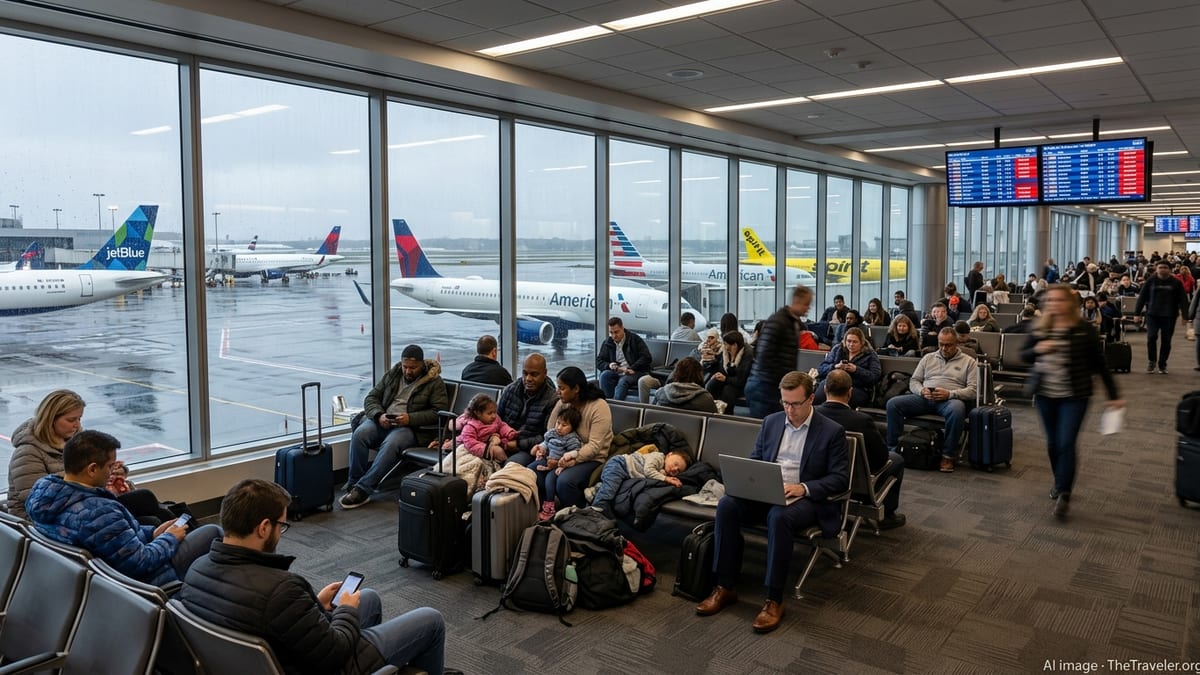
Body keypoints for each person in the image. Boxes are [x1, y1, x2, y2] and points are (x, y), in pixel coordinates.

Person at [178, 479, 450, 675]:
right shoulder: (281, 590)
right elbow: (335, 653)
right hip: (327, 665)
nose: (280, 534)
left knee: (368, 598)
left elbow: (271, 618)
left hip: (272, 658)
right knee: (431, 620)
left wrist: (316, 605)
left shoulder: (197, 568)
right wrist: (345, 611)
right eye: (281, 526)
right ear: (263, 528)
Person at [695, 371, 848, 634]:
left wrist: (802, 488)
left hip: (806, 498)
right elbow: (757, 459)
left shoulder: (832, 431)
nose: (790, 410)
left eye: (796, 404)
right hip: (769, 491)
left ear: (811, 399)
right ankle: (724, 585)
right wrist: (750, 480)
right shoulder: (772, 422)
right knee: (728, 506)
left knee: (779, 517)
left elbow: (840, 478)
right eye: (785, 403)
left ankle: (774, 598)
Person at [26, 430, 222, 586]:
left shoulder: (45, 494)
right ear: (92, 469)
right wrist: (169, 538)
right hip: (143, 582)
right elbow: (141, 562)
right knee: (212, 532)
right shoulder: (98, 512)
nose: (113, 472)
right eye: (110, 466)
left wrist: (153, 534)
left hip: (104, 582)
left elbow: (114, 541)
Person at [1020, 286, 1123, 518]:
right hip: (1046, 395)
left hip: (1075, 395)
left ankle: (1064, 492)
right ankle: (1059, 481)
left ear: (1069, 303)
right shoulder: (1040, 327)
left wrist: (1113, 395)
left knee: (1066, 442)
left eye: (1059, 300)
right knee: (1053, 443)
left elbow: (1100, 364)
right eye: (1050, 300)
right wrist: (1038, 348)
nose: (1054, 304)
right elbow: (1023, 355)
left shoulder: (1084, 330)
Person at [8, 389, 177, 525]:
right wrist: (95, 482)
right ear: (50, 419)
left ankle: (182, 538)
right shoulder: (27, 453)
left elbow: (89, 474)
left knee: (154, 512)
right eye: (71, 420)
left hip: (80, 504)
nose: (77, 425)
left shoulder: (76, 441)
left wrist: (110, 472)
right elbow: (39, 502)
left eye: (79, 419)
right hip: (46, 520)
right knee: (147, 509)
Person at [341, 345, 448, 509]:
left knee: (392, 443)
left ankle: (362, 489)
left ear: (422, 365)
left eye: (413, 368)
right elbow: (371, 398)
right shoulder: (393, 375)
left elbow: (438, 412)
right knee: (360, 434)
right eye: (405, 367)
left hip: (411, 428)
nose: (408, 371)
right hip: (384, 419)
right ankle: (353, 482)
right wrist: (379, 415)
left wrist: (410, 419)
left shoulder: (434, 382)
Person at [815, 370, 905, 530]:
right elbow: (881, 459)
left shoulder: (812, 414)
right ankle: (887, 516)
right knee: (896, 459)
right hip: (855, 483)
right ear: (850, 392)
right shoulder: (862, 421)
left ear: (825, 390)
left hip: (818, 478)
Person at [885, 327, 978, 474]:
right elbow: (914, 380)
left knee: (957, 409)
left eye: (948, 345)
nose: (944, 348)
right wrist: (921, 390)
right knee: (893, 404)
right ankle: (893, 449)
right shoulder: (928, 358)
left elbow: (973, 391)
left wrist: (950, 394)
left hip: (949, 400)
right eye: (941, 344)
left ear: (957, 343)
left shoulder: (969, 362)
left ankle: (948, 455)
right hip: (925, 398)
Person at [529, 367, 613, 509]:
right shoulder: (563, 403)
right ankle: (548, 508)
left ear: (576, 389)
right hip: (560, 451)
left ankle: (577, 514)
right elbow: (551, 430)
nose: (558, 392)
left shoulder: (599, 407)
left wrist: (568, 461)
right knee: (532, 471)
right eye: (558, 387)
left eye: (562, 388)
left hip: (591, 458)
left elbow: (594, 446)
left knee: (565, 481)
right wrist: (544, 448)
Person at [745, 285, 810, 418]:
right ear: (796, 301)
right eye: (806, 304)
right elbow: (764, 356)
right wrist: (785, 383)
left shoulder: (791, 322)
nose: (807, 308)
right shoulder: (778, 322)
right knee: (766, 427)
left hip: (772, 386)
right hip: (764, 387)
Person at [496, 354, 559, 467]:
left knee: (511, 465)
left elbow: (547, 436)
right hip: (503, 441)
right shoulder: (510, 390)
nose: (528, 379)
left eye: (534, 374)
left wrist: (519, 444)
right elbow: (496, 420)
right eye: (525, 373)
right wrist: (494, 438)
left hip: (529, 449)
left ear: (545, 373)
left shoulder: (552, 400)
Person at [590, 449, 690, 516]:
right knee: (609, 490)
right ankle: (597, 509)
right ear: (669, 455)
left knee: (613, 487)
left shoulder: (662, 470)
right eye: (675, 464)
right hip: (620, 465)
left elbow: (655, 475)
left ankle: (595, 490)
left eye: (678, 470)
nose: (675, 469)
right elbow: (648, 471)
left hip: (626, 473)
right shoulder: (658, 457)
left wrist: (665, 476)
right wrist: (666, 479)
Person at [1134, 261, 1188, 374]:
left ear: (1170, 269)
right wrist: (1137, 314)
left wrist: (1185, 316)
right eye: (1160, 267)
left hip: (1170, 316)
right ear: (1156, 269)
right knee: (1151, 337)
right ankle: (1152, 361)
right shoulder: (1150, 281)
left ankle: (1162, 364)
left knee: (1166, 340)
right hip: (1152, 315)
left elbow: (1183, 299)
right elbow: (1142, 297)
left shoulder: (1176, 283)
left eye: (1165, 267)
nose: (1162, 269)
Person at [533, 407, 582, 520]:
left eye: (564, 425)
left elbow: (574, 453)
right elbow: (546, 443)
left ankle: (549, 507)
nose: (559, 427)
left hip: (560, 465)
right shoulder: (552, 433)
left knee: (549, 479)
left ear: (572, 427)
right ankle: (539, 500)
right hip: (548, 459)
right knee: (531, 470)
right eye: (558, 423)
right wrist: (541, 449)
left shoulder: (572, 439)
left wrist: (563, 462)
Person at [813, 327, 881, 408]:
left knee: (838, 401)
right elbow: (821, 369)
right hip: (833, 383)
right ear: (845, 341)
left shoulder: (870, 354)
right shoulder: (838, 349)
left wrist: (856, 370)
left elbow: (874, 377)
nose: (851, 344)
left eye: (855, 342)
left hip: (856, 387)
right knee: (819, 397)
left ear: (861, 343)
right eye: (849, 341)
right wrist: (835, 366)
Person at [596, 317, 652, 401]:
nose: (614, 336)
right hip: (617, 370)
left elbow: (646, 357)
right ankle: (607, 403)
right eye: (611, 333)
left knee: (623, 381)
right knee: (604, 375)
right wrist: (610, 365)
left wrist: (632, 368)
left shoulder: (635, 339)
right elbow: (599, 361)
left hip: (635, 371)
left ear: (622, 328)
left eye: (616, 332)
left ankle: (617, 406)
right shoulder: (608, 342)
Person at [455, 393, 518, 460]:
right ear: (478, 413)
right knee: (498, 451)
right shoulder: (470, 426)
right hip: (469, 446)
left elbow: (502, 426)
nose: (494, 416)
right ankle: (505, 463)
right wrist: (486, 449)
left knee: (514, 445)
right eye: (489, 413)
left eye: (494, 412)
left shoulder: (495, 419)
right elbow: (470, 444)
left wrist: (509, 432)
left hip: (490, 441)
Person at [705, 331, 754, 412]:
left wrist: (733, 358)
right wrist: (717, 374)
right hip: (729, 379)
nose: (725, 347)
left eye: (727, 344)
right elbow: (722, 369)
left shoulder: (747, 354)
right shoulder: (726, 351)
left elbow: (740, 380)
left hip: (742, 384)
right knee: (712, 384)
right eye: (724, 344)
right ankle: (709, 410)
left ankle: (726, 414)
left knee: (728, 391)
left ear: (735, 345)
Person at [653, 357, 718, 413]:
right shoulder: (705, 399)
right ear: (700, 375)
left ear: (675, 373)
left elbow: (652, 415)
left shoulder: (661, 393)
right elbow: (714, 421)